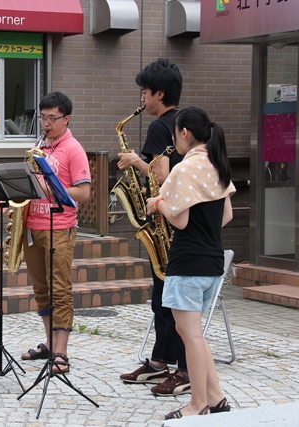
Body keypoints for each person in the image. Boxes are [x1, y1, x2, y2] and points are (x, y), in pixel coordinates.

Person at [0, 92, 91, 374]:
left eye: (52, 118)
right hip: (33, 227)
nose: (45, 123)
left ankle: (62, 352)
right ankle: (49, 343)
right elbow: (27, 188)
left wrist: (51, 188)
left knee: (60, 290)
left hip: (59, 228)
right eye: (42, 117)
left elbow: (84, 192)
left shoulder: (73, 149)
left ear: (66, 119)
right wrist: (8, 200)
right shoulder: (38, 147)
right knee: (41, 290)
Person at [145, 106, 235, 419]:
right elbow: (227, 216)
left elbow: (180, 221)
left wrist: (158, 204)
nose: (173, 139)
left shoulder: (184, 169)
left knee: (191, 336)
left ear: (184, 133)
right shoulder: (218, 164)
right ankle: (216, 397)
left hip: (187, 263)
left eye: (175, 133)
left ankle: (198, 404)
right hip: (212, 262)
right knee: (196, 335)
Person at [117, 58, 190, 396]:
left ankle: (177, 367)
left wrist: (135, 161)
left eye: (144, 92)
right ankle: (161, 361)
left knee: (164, 298)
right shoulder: (184, 124)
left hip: (164, 223)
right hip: (177, 224)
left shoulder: (160, 126)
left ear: (159, 93)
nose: (141, 99)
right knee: (165, 296)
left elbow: (161, 176)